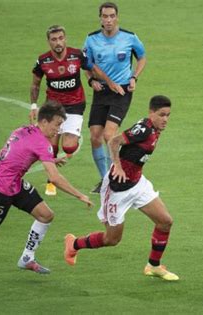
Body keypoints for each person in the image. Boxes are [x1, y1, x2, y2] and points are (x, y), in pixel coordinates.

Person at [0, 101, 93, 274]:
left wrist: (51, 160)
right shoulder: (42, 143)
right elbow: (54, 178)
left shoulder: (23, 130)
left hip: (14, 183)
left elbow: (18, 152)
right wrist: (79, 195)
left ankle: (27, 258)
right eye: (57, 125)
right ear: (44, 122)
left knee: (46, 215)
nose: (59, 130)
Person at [64, 95, 179, 281]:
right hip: (117, 190)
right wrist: (116, 166)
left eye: (168, 115)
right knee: (112, 240)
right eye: (161, 115)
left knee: (165, 221)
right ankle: (74, 244)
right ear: (151, 113)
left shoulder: (155, 128)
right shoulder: (143, 130)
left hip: (138, 184)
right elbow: (113, 141)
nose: (165, 119)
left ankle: (153, 266)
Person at [30, 25, 121, 196]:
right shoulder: (43, 61)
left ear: (65, 38)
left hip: (75, 106)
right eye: (54, 39)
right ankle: (52, 181)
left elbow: (91, 68)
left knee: (69, 146)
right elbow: (35, 84)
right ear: (49, 41)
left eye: (60, 38)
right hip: (53, 108)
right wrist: (34, 106)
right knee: (52, 148)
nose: (58, 42)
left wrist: (107, 82)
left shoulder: (76, 55)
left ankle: (73, 140)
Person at [83, 2, 147, 193]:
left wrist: (134, 77)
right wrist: (90, 81)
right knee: (95, 137)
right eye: (105, 16)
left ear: (117, 17)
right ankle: (105, 179)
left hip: (122, 91)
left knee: (109, 134)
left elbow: (142, 57)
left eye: (112, 16)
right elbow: (87, 64)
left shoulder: (129, 37)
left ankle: (117, 174)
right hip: (101, 92)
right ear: (100, 18)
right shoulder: (91, 39)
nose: (109, 20)